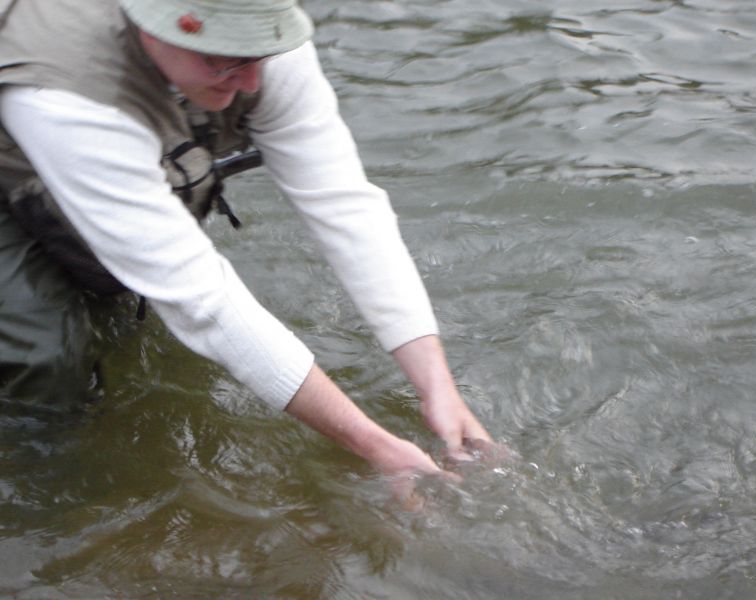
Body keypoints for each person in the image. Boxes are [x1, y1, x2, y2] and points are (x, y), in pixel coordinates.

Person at [0, 0, 492, 480]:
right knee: (43, 361)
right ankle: (44, 477)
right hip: (18, 150)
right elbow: (199, 297)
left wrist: (438, 388)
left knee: (119, 295)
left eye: (258, 54)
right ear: (154, 28)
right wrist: (374, 446)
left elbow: (343, 204)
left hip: (104, 137)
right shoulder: (65, 93)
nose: (253, 82)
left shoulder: (264, 34)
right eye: (227, 60)